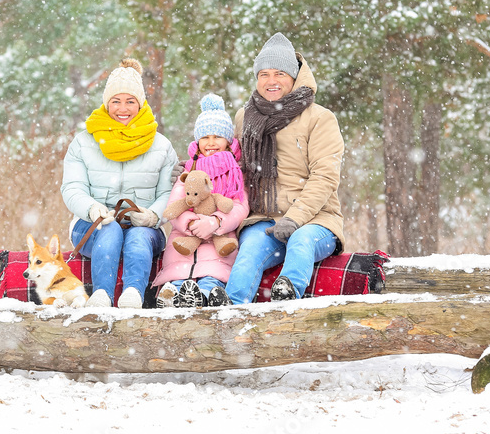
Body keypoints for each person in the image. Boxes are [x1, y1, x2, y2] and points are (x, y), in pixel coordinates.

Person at [206, 33, 345, 306]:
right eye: (264, 74)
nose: (271, 81)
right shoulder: (245, 117)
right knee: (250, 251)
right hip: (263, 219)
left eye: (280, 73)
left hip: (315, 220)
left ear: (294, 78)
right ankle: (230, 310)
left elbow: (325, 176)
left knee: (301, 241)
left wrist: (293, 219)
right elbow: (229, 166)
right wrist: (194, 170)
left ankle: (288, 298)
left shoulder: (320, 118)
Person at [61, 58, 179, 308]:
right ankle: (101, 294)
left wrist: (153, 216)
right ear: (106, 103)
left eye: (130, 101)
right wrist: (92, 208)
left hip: (145, 226)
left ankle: (133, 294)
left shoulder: (161, 146)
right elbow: (72, 188)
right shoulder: (83, 143)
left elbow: (169, 192)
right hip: (91, 224)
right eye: (116, 101)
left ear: (140, 103)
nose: (122, 108)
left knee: (137, 237)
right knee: (110, 230)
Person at [151, 94, 250, 308]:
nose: (211, 143)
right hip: (184, 241)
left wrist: (215, 222)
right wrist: (190, 224)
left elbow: (240, 206)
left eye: (217, 137)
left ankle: (206, 293)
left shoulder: (235, 172)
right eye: (205, 137)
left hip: (219, 240)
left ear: (228, 141)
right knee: (178, 275)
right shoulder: (189, 171)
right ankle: (173, 293)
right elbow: (175, 204)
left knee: (212, 274)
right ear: (197, 142)